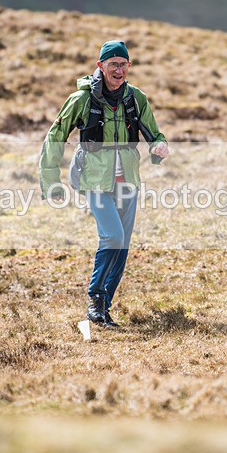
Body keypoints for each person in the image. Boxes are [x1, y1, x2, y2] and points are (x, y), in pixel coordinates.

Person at [39, 40, 169, 328]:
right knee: (113, 237)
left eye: (123, 64)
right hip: (94, 179)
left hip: (128, 180)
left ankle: (102, 308)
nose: (119, 69)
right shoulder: (81, 100)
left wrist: (160, 148)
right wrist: (51, 181)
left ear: (129, 67)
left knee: (122, 245)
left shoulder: (136, 98)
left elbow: (155, 134)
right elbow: (55, 136)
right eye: (113, 64)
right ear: (101, 66)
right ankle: (95, 300)